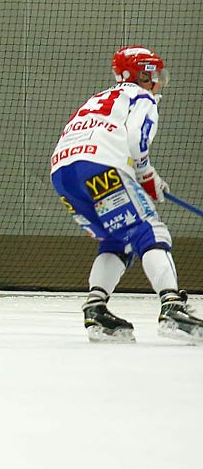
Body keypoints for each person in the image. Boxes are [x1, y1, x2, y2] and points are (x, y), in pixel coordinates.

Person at [50, 46, 201, 342]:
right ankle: (172, 306)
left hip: (63, 173)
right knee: (149, 230)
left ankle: (96, 308)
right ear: (143, 74)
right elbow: (135, 139)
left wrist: (145, 178)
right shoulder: (142, 97)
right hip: (101, 167)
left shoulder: (97, 98)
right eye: (154, 73)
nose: (158, 81)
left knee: (117, 238)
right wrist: (146, 177)